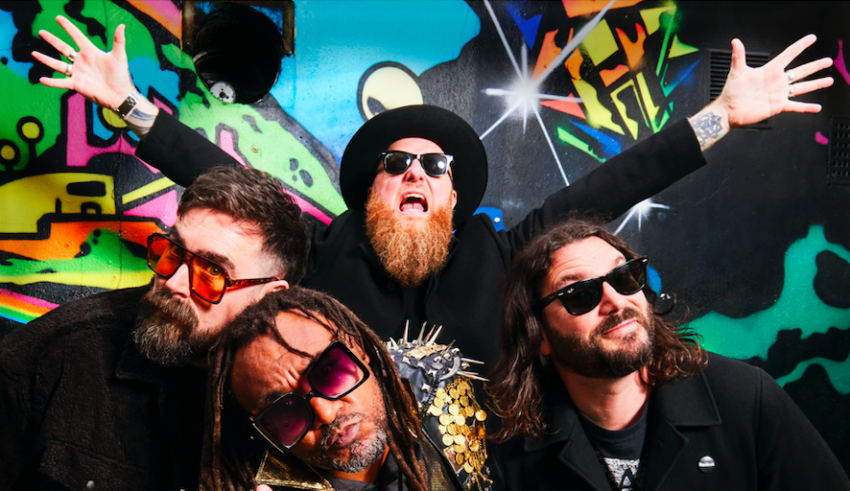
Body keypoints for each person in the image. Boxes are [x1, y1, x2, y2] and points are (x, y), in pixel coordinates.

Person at [31, 17, 834, 369]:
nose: (417, 171)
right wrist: (126, 102)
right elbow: (219, 175)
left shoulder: (507, 254)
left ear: (453, 198)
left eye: (436, 165)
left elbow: (620, 180)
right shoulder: (317, 252)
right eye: (397, 162)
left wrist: (721, 116)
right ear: (370, 191)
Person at [0, 166, 308, 490]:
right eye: (173, 251)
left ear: (267, 298)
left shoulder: (297, 401)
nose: (173, 282)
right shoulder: (54, 354)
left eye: (212, 271)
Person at [487, 219, 850, 491]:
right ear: (539, 334)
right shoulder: (510, 453)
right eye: (580, 294)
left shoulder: (745, 399)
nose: (616, 301)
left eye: (625, 276)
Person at [199, 286, 464, 491]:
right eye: (285, 412)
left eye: (328, 372)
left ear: (357, 347)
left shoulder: (441, 385)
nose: (325, 414)